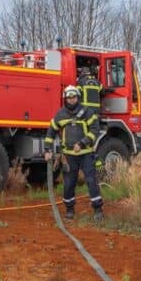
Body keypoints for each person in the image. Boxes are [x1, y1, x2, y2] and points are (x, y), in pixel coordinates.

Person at [43, 85, 104, 221]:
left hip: (86, 153)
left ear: (78, 97)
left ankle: (98, 209)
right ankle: (70, 210)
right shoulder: (60, 114)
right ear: (65, 98)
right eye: (69, 98)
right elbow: (50, 132)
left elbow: (95, 130)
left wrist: (82, 143)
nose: (71, 100)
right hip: (69, 156)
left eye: (74, 97)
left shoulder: (87, 112)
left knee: (91, 181)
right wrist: (47, 149)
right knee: (69, 183)